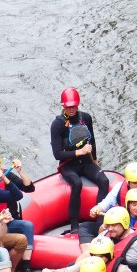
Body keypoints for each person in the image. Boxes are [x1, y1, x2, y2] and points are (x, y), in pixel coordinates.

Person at [50, 87, 110, 234]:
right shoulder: (57, 125)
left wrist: (94, 159)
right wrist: (79, 152)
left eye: (74, 106)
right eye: (69, 106)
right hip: (68, 165)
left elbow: (92, 141)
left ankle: (100, 221)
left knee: (104, 181)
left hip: (86, 162)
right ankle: (74, 225)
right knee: (76, 184)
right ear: (64, 106)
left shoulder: (85, 118)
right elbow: (57, 154)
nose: (72, 109)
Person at [0, 154, 37, 272]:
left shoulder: (7, 175)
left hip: (9, 222)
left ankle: (26, 266)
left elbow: (29, 188)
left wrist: (19, 171)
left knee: (28, 225)